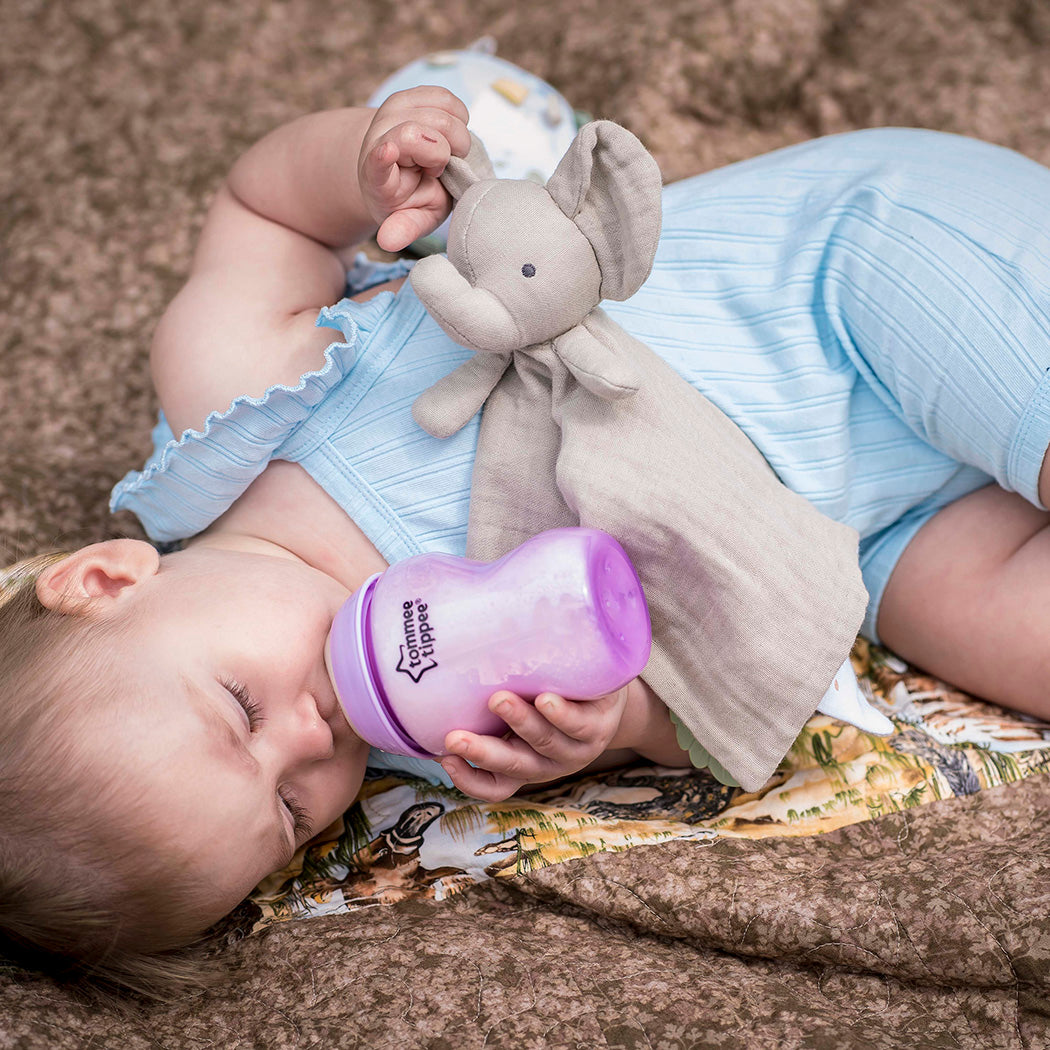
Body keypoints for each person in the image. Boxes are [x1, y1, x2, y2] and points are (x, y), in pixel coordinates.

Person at [6, 84, 1050, 995]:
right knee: (1007, 639)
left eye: (239, 710)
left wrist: (370, 160)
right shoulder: (441, 739)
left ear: (104, 578)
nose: (314, 741)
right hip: (870, 528)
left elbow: (262, 206)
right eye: (287, 809)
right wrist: (611, 725)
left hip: (851, 277)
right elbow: (691, 684)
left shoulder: (229, 407)